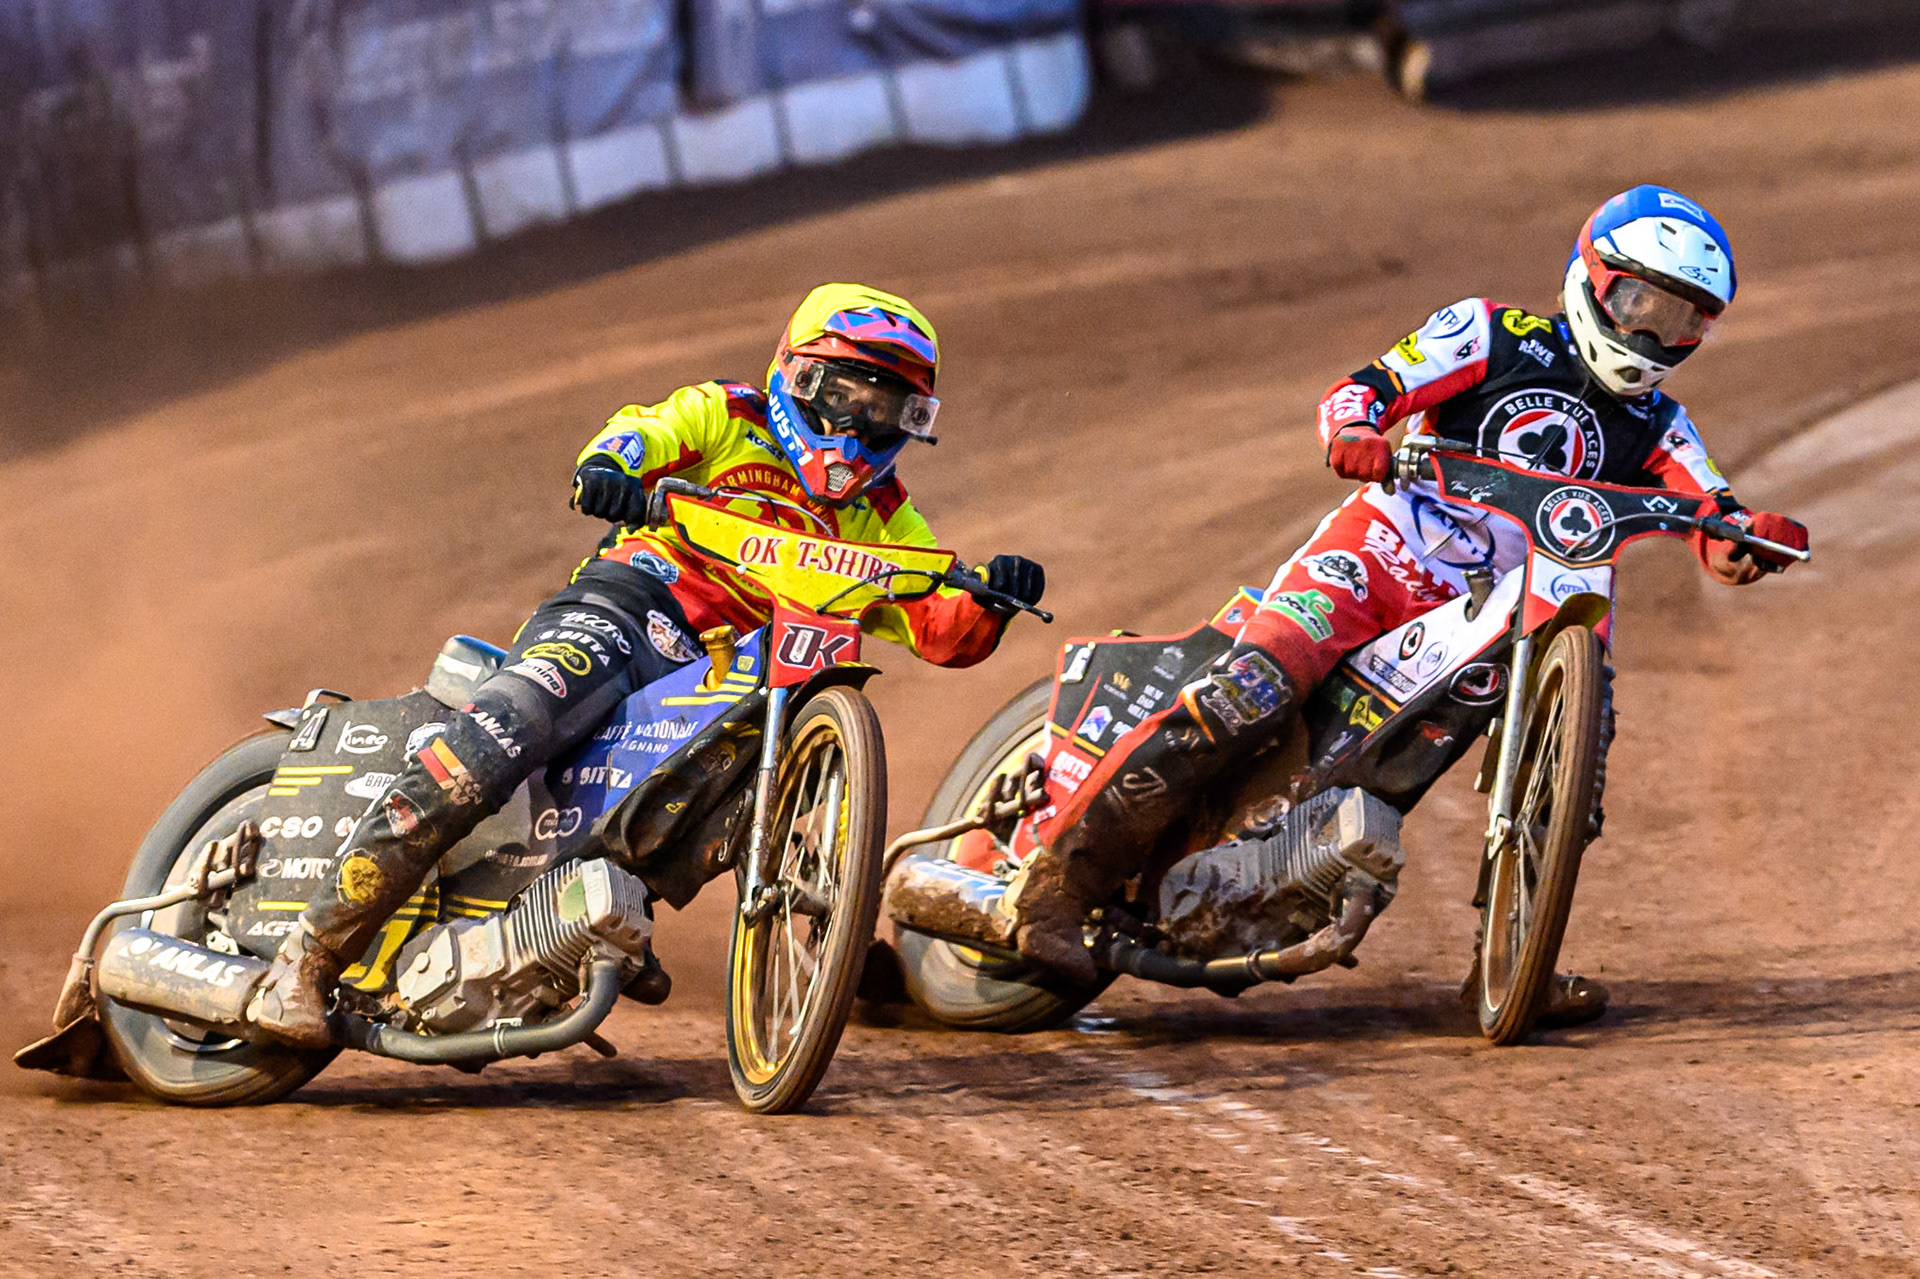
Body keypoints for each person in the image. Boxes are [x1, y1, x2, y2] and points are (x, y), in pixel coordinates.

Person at [1010, 186, 1809, 1013]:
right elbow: (1365, 387)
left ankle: (1506, 961)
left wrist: (1745, 541)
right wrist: (1357, 430)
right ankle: (1058, 887)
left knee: (1573, 748)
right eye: (1641, 303)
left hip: (1500, 611)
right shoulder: (1492, 333)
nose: (1650, 334)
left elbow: (1714, 511)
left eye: (1680, 322)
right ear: (1592, 279)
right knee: (1251, 689)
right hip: (1382, 554)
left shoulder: (1662, 424)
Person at [249, 283, 1048, 1048]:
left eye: (882, 410)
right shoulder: (726, 416)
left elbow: (938, 625)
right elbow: (640, 435)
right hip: (630, 611)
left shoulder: (887, 517)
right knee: (509, 728)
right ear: (798, 376)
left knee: (766, 777)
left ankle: (819, 938)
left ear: (912, 421)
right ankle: (306, 957)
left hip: (732, 672)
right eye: (842, 396)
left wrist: (993, 601)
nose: (857, 424)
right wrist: (613, 471)